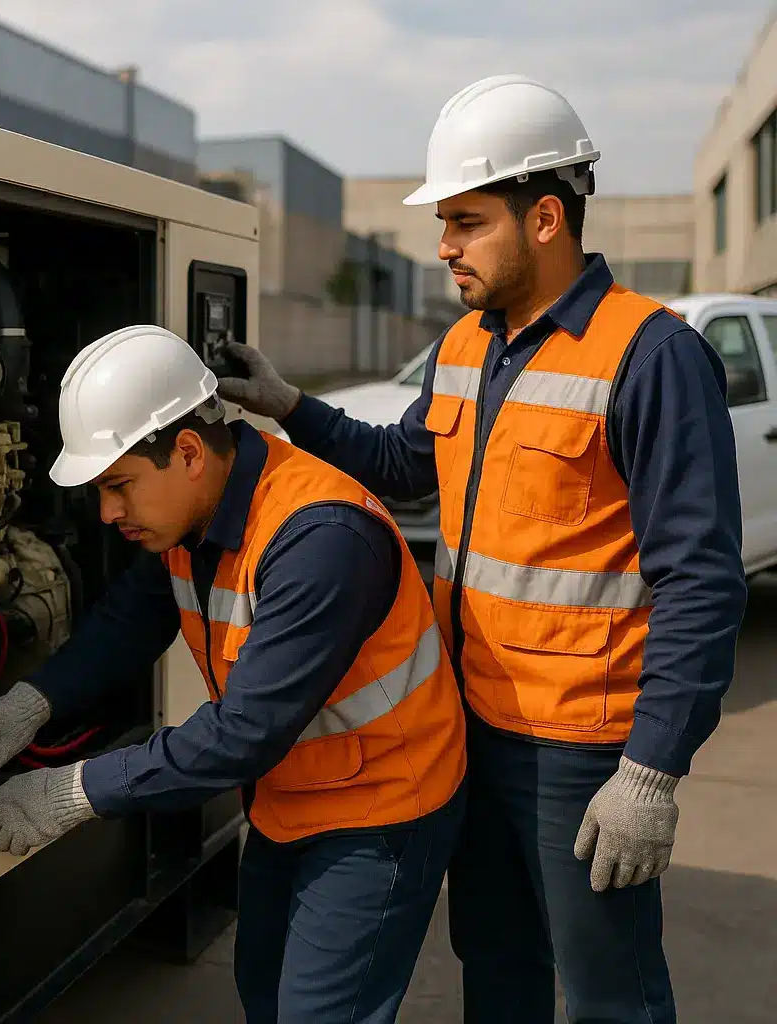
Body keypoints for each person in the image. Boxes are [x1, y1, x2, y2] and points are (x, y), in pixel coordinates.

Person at [216, 75, 748, 1024]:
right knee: (497, 965)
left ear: (545, 218)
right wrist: (289, 407)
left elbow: (700, 584)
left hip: (580, 752)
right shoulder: (468, 343)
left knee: (609, 995)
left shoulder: (650, 356)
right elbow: (409, 463)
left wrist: (652, 773)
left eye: (466, 222)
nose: (444, 246)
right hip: (470, 724)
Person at [0, 324, 468, 1023]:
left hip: (379, 812)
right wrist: (33, 700)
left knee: (318, 1014)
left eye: (119, 486)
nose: (107, 513)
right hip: (293, 795)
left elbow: (241, 736)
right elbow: (130, 620)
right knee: (263, 987)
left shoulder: (320, 539)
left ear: (189, 452)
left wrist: (73, 793)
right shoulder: (192, 514)